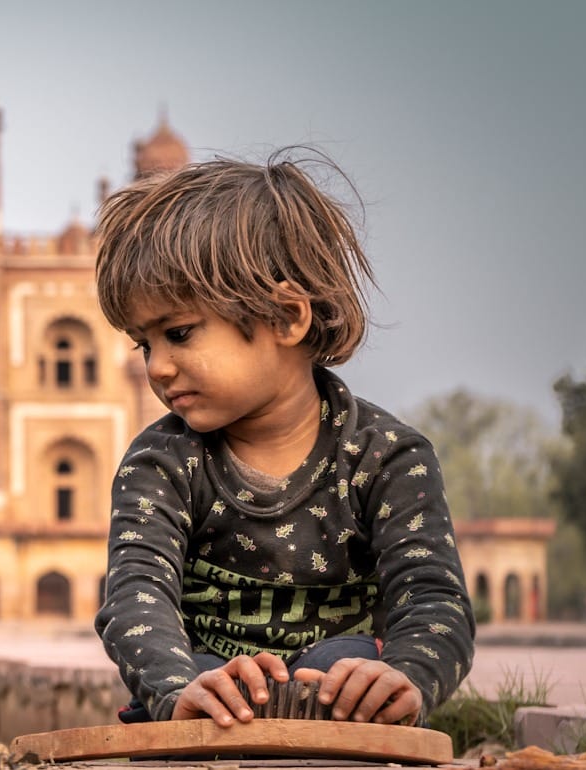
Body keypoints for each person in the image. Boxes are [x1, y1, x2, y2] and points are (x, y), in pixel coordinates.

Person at [92, 148, 475, 729]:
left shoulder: (386, 457)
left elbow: (433, 598)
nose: (159, 367)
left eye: (178, 333)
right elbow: (135, 598)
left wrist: (407, 676)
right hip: (209, 708)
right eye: (145, 345)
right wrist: (177, 688)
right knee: (201, 679)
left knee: (344, 665)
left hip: (341, 710)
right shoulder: (162, 461)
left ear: (285, 316)